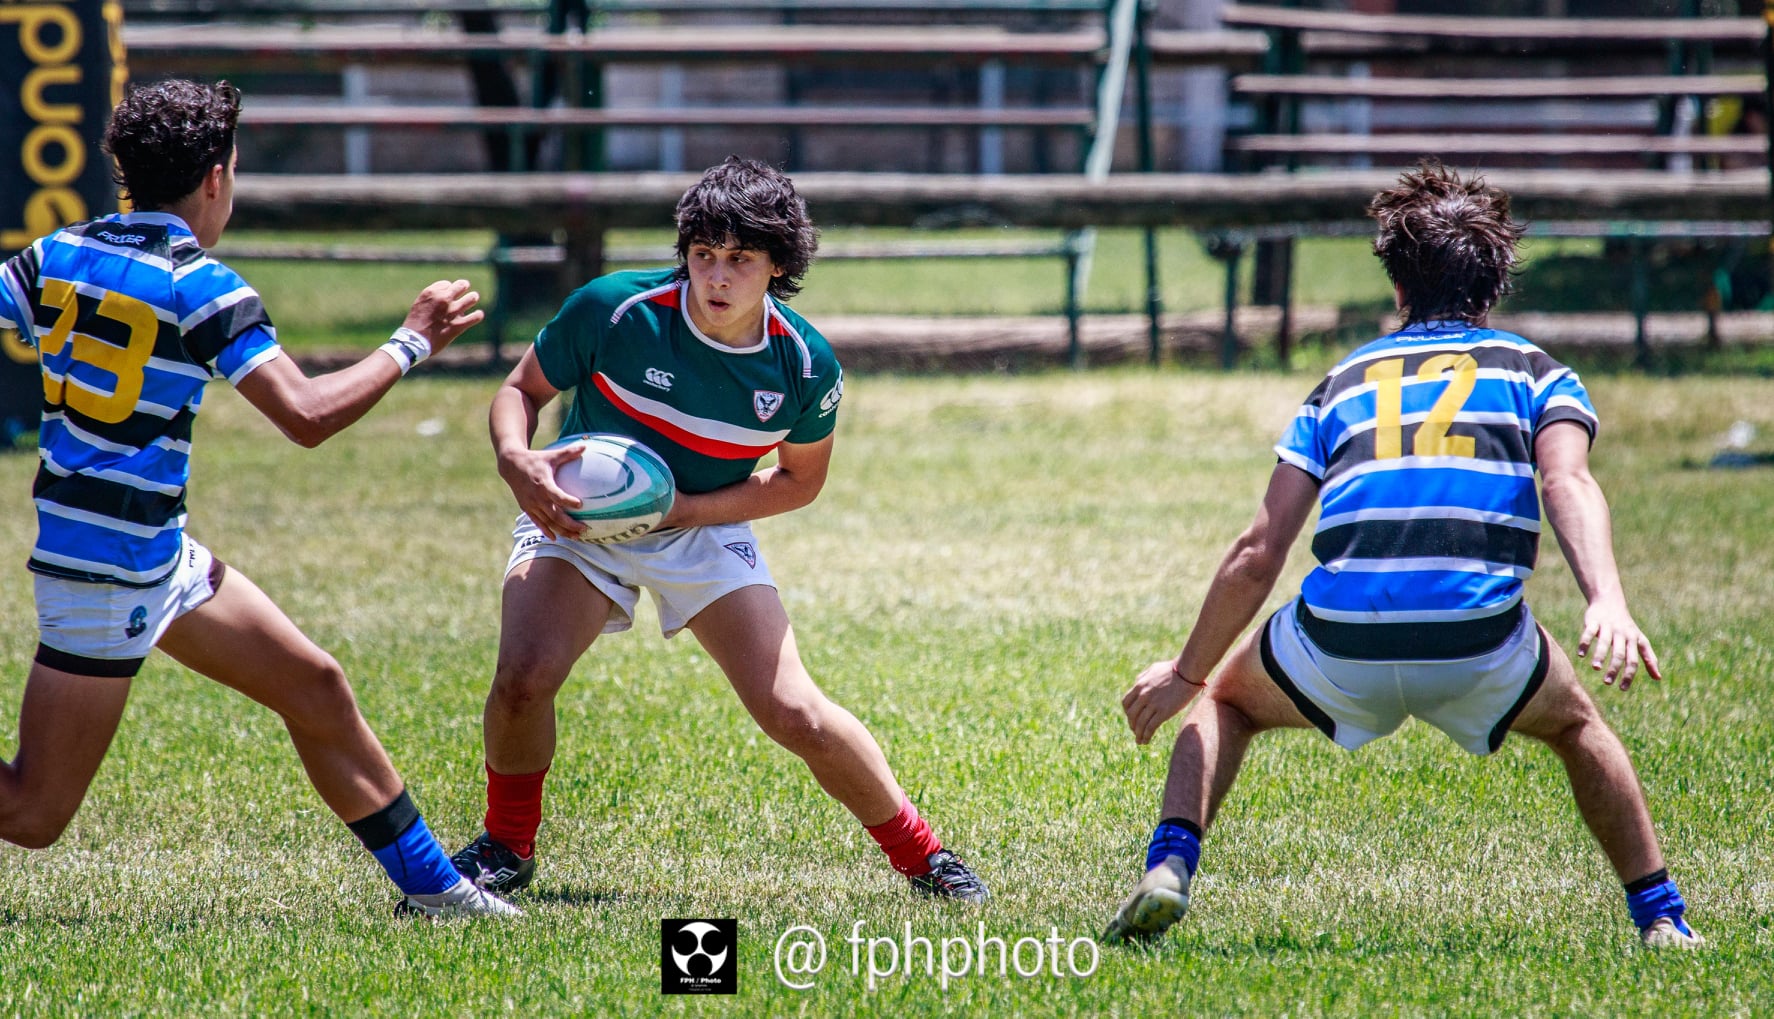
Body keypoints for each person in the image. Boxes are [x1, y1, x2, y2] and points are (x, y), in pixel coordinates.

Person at [1102, 162, 1700, 949]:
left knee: (1225, 702)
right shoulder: (1534, 371)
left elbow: (1259, 549)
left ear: (1398, 286)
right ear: (1493, 287)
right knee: (1578, 727)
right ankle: (1660, 916)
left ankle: (1171, 865)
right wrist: (1606, 598)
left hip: (1338, 636)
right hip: (1478, 639)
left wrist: (1186, 674)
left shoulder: (1343, 380)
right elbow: (1568, 481)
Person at [0, 79, 518, 919]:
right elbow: (307, 416)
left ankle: (436, 890)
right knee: (32, 810)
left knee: (315, 686)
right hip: (108, 574)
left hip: (154, 551)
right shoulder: (200, 283)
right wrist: (411, 340)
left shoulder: (54, 253)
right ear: (215, 176)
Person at [448, 156, 988, 903]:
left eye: (739, 259)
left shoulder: (803, 365)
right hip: (578, 514)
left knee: (794, 711)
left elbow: (801, 480)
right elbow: (522, 390)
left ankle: (927, 856)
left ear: (778, 266)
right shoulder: (615, 310)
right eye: (704, 255)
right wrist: (517, 460)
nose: (717, 277)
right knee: (520, 681)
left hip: (701, 523)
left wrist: (687, 512)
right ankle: (507, 845)